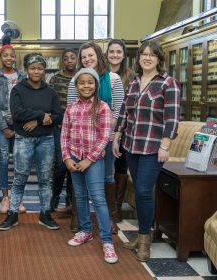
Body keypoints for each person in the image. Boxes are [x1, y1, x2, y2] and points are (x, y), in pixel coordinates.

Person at [112, 41, 180, 262]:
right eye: (144, 54)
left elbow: (172, 118)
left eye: (152, 55)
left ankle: (144, 241)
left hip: (153, 147)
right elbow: (124, 113)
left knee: (142, 190)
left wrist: (165, 146)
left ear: (159, 59)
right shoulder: (133, 83)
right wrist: (117, 137)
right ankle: (143, 233)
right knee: (141, 193)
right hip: (131, 145)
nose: (147, 58)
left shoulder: (168, 83)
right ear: (138, 58)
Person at [0, 53, 61, 231]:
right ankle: (13, 214)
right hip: (23, 140)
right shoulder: (18, 90)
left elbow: (57, 115)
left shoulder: (50, 92)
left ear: (44, 71)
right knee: (20, 178)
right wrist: (41, 115)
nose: (36, 71)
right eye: (32, 68)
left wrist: (36, 121)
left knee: (45, 179)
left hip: (46, 140)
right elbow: (17, 113)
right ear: (26, 70)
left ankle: (45, 213)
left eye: (40, 68)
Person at [67, 42, 124, 234]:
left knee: (107, 176)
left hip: (104, 140)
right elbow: (71, 111)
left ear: (99, 56)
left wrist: (109, 135)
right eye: (83, 57)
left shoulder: (113, 79)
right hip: (81, 141)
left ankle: (110, 218)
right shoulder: (76, 80)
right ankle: (78, 216)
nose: (86, 59)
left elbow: (118, 110)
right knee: (79, 179)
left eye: (90, 55)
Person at [62, 68, 118, 264]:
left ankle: (107, 241)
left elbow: (104, 138)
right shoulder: (71, 108)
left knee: (98, 198)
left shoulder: (103, 107)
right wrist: (67, 157)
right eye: (82, 82)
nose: (86, 86)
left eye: (90, 82)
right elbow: (64, 135)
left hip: (93, 161)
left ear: (96, 85)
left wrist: (90, 159)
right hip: (75, 158)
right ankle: (85, 231)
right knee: (80, 196)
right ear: (76, 86)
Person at [0, 43, 26, 214]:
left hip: (19, 124)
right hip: (2, 124)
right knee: (3, 159)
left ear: (15, 57)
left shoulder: (22, 75)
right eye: (5, 55)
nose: (9, 58)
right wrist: (3, 128)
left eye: (12, 55)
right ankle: (5, 197)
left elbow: (26, 101)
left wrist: (19, 126)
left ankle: (17, 198)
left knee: (20, 160)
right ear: (0, 57)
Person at [106, 39, 136, 223]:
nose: (115, 55)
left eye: (118, 51)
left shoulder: (131, 75)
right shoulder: (101, 74)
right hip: (103, 127)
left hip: (124, 127)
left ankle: (116, 209)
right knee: (103, 168)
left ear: (124, 55)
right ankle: (105, 205)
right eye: (111, 51)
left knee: (120, 165)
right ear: (106, 54)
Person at [48, 48, 78, 231]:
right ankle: (55, 197)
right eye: (65, 58)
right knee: (60, 164)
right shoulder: (55, 80)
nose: (69, 61)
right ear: (62, 61)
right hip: (59, 128)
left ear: (76, 60)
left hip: (78, 129)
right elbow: (51, 105)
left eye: (72, 58)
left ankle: (70, 201)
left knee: (74, 166)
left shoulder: (82, 77)